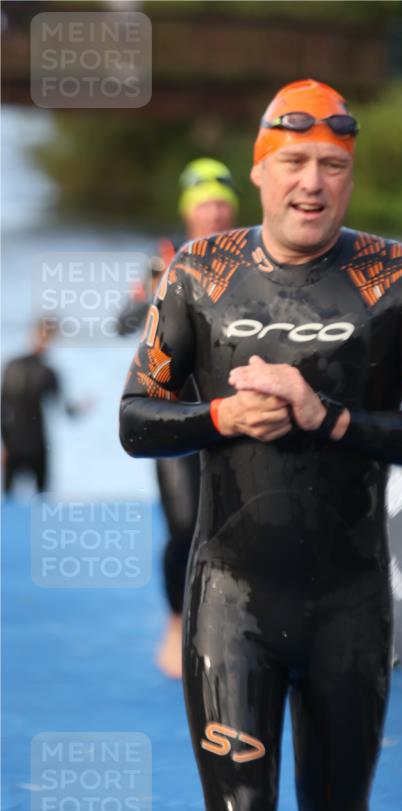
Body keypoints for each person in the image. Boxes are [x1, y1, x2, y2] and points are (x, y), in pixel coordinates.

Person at [119, 79, 402, 811]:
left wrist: (330, 419)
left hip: (348, 603)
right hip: (230, 597)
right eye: (294, 164)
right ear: (259, 172)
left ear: (351, 175)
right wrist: (223, 413)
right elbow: (132, 418)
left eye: (333, 167)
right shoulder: (197, 271)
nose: (312, 185)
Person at [117, 158, 239, 677]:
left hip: (235, 409)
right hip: (174, 411)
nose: (213, 214)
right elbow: (123, 321)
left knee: (238, 522)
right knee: (185, 521)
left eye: (221, 205)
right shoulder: (164, 257)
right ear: (190, 212)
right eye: (205, 205)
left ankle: (234, 626)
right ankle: (175, 621)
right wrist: (157, 290)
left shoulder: (252, 256)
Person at [1, 317, 88, 495]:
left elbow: (66, 410)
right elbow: (3, 407)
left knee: (39, 503)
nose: (46, 340)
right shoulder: (16, 366)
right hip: (17, 443)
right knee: (10, 502)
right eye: (44, 334)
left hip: (34, 443)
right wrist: (5, 445)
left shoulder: (48, 372)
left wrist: (81, 408)